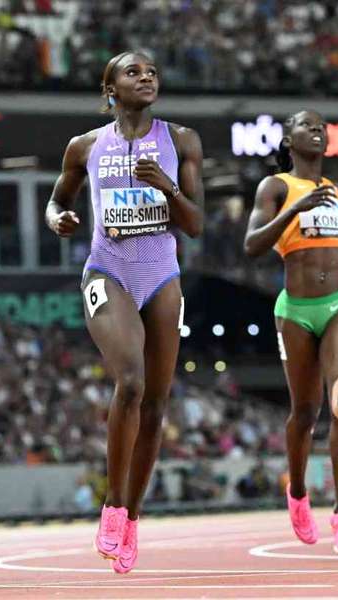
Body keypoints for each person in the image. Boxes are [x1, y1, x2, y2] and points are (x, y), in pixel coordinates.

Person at [45, 51, 203, 574]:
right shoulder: (85, 146)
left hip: (160, 274)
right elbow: (56, 201)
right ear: (109, 88)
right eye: (133, 72)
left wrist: (167, 186)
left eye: (153, 71)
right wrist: (59, 218)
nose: (147, 77)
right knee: (130, 381)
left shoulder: (181, 140)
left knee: (156, 402)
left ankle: (133, 515)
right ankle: (113, 503)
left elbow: (196, 223)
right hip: (106, 271)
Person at [243, 109, 338, 555]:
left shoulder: (337, 192)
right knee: (305, 413)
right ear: (288, 140)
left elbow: (327, 243)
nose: (317, 130)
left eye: (322, 127)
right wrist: (294, 208)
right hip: (295, 311)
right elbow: (252, 245)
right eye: (306, 125)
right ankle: (296, 493)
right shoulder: (275, 188)